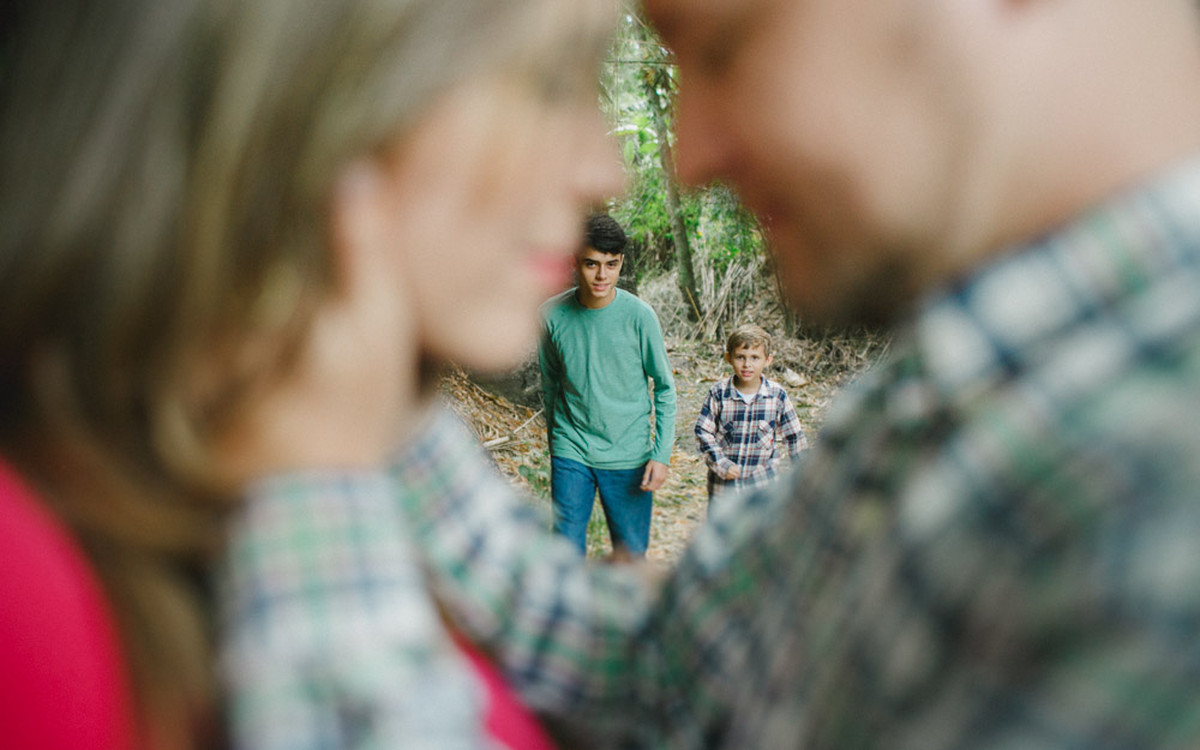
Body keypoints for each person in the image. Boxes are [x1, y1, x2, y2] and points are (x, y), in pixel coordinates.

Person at [390, 0, 1200, 747]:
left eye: (725, 44)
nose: (686, 161)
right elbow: (661, 670)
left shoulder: (1152, 525)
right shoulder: (949, 391)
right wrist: (366, 394)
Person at [1, 0, 624, 748]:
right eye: (549, 81)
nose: (606, 170)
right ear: (300, 89)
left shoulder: (387, 464)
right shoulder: (27, 589)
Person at [537, 213, 677, 557]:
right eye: (592, 264)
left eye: (611, 264)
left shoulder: (640, 317)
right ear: (574, 262)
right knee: (564, 552)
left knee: (630, 556)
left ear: (621, 263)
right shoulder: (550, 315)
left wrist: (661, 455)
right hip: (572, 448)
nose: (602, 275)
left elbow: (664, 388)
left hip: (628, 452)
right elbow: (551, 382)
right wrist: (557, 439)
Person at [694, 323, 807, 501]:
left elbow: (795, 438)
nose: (747, 364)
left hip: (763, 488)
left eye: (755, 358)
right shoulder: (718, 393)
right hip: (723, 489)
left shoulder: (777, 396)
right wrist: (721, 464)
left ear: (768, 360)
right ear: (729, 358)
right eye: (740, 357)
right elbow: (703, 432)